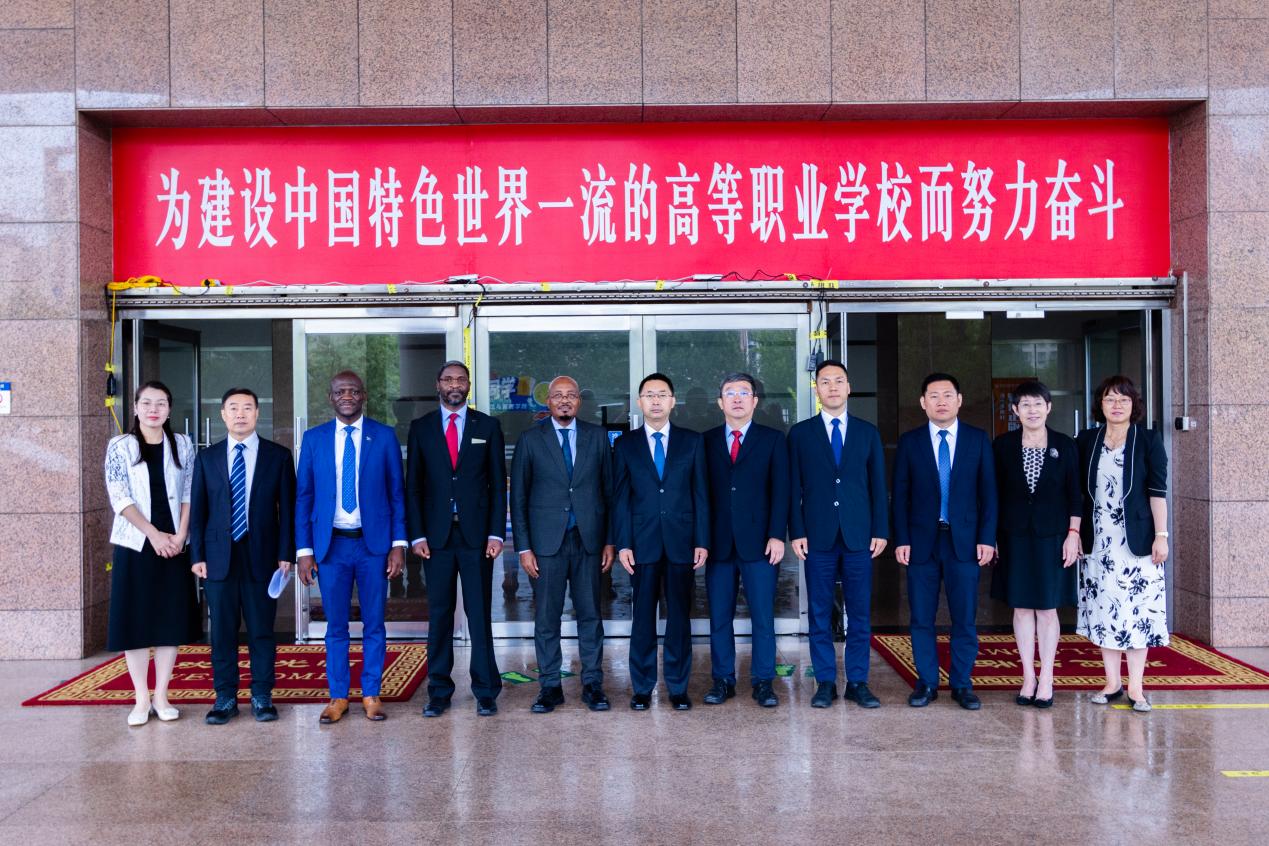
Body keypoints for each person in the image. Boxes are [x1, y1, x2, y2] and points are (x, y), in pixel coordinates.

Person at [295, 371, 406, 724]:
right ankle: (338, 696)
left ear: (364, 396)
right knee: (336, 627)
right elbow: (304, 497)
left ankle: (371, 693)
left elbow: (397, 494)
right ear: (330, 398)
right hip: (331, 548)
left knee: (374, 623)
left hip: (373, 546)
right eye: (340, 391)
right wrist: (304, 550)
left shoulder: (384, 436)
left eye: (354, 391)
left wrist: (398, 544)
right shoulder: (314, 439)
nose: (347, 396)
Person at [189, 387, 296, 724]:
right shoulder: (207, 458)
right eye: (233, 408)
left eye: (247, 408)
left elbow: (288, 511)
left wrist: (286, 553)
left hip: (262, 556)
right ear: (223, 414)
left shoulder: (277, 456)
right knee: (222, 631)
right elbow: (198, 512)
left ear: (257, 413)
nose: (240, 414)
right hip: (218, 558)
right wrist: (197, 555)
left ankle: (262, 695)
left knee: (261, 630)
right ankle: (225, 698)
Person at [406, 361, 507, 717]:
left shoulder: (488, 426)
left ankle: (485, 690)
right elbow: (413, 487)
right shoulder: (420, 428)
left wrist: (497, 532)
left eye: (460, 379)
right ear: (437, 384)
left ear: (468, 385)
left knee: (479, 614)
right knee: (439, 614)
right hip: (435, 539)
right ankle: (438, 690)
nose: (454, 384)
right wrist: (417, 534)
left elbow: (498, 485)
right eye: (447, 379)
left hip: (477, 537)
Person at [510, 376, 615, 714]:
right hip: (545, 545)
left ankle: (593, 684)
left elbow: (609, 492)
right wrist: (524, 547)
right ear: (549, 401)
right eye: (558, 395)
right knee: (546, 618)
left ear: (579, 401)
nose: (565, 400)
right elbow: (518, 497)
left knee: (590, 616)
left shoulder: (597, 437)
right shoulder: (530, 440)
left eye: (571, 395)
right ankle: (550, 686)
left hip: (588, 541)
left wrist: (609, 541)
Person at [893, 373, 997, 711]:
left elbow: (989, 494)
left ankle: (962, 684)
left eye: (947, 395)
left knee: (964, 617)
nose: (941, 401)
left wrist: (987, 538)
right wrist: (901, 538)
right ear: (923, 402)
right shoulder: (910, 442)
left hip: (964, 542)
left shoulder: (977, 439)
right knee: (921, 617)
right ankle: (926, 683)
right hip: (921, 542)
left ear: (959, 400)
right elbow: (900, 496)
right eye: (934, 396)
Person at [788, 360, 888, 709]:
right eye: (825, 381)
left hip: (859, 536)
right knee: (819, 613)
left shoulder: (867, 432)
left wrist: (880, 529)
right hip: (817, 537)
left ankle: (858, 682)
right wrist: (796, 531)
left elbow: (878, 486)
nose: (832, 387)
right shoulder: (800, 434)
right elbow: (793, 488)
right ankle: (826, 682)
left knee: (859, 613)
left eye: (838, 381)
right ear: (816, 389)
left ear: (849, 388)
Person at [104, 380, 200, 727]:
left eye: (161, 403)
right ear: (135, 408)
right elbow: (120, 497)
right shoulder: (121, 446)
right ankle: (141, 698)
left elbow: (190, 491)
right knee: (136, 621)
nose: (153, 409)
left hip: (174, 543)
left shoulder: (183, 444)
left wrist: (181, 535)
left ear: (170, 409)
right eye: (146, 403)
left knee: (168, 620)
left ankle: (161, 695)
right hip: (136, 543)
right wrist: (153, 535)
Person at [612, 373, 709, 711]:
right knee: (642, 618)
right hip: (642, 543)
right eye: (649, 395)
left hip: (682, 541)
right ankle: (642, 687)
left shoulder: (692, 441)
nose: (656, 400)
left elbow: (701, 494)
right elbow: (621, 498)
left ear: (673, 401)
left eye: (662, 394)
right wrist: (623, 543)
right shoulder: (625, 444)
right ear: (640, 402)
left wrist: (702, 540)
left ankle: (678, 687)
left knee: (679, 617)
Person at [1076, 375, 1169, 713]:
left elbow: (1157, 492)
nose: (1116, 405)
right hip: (1099, 542)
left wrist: (1162, 536)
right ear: (1100, 404)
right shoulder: (1087, 440)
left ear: (1134, 405)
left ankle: (1136, 687)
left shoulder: (1148, 440)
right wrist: (1075, 532)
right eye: (1110, 399)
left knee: (1138, 612)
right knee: (1106, 611)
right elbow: (1077, 492)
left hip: (1138, 542)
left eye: (1123, 400)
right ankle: (1112, 682)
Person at [990, 381, 1080, 709]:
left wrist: (1073, 533)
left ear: (1048, 407)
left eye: (1038, 404)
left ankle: (1047, 676)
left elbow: (1075, 495)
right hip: (1013, 536)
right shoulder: (1003, 445)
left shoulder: (1064, 445)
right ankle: (1028, 676)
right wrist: (992, 536)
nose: (1032, 410)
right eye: (1025, 405)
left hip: (1052, 536)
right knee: (1021, 607)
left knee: (1047, 607)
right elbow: (993, 494)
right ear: (1015, 410)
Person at [702, 372, 789, 708]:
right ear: (720, 402)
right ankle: (723, 679)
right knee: (719, 617)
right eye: (730, 393)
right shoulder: (706, 441)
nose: (737, 398)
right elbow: (701, 494)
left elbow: (781, 491)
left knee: (763, 617)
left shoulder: (773, 439)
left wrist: (777, 535)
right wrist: (701, 540)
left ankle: (763, 681)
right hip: (718, 543)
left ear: (754, 401)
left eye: (743, 393)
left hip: (760, 543)